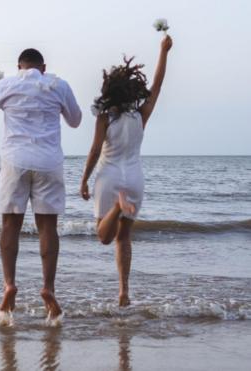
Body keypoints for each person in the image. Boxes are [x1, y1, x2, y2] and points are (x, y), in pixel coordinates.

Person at [0, 49, 82, 324]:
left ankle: (9, 284)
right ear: (43, 67)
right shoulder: (59, 85)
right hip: (48, 162)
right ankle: (48, 288)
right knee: (48, 228)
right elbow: (75, 120)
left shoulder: (7, 84)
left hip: (15, 161)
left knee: (10, 225)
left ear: (18, 66)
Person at [80, 35, 173, 306]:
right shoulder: (140, 115)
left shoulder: (105, 116)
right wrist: (163, 52)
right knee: (124, 237)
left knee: (104, 237)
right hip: (134, 178)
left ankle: (117, 208)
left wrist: (84, 180)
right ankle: (123, 291)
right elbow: (157, 84)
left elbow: (95, 150)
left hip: (108, 177)